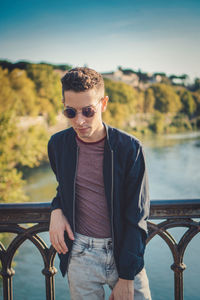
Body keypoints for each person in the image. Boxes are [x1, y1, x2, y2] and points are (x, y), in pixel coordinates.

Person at [48, 67, 151, 300]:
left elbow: (137, 216)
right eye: (70, 112)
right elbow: (63, 187)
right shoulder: (57, 145)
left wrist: (126, 276)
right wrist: (56, 209)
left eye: (88, 111)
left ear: (103, 103)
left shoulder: (129, 148)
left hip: (124, 253)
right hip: (80, 253)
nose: (80, 121)